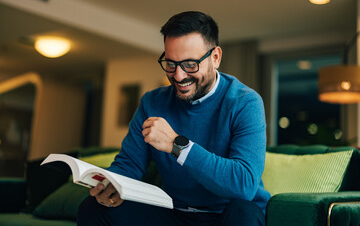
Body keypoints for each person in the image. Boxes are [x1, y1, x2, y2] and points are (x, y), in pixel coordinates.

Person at [77, 11, 271, 226]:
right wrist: (110, 185)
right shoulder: (152, 102)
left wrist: (177, 145)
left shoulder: (245, 102)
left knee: (244, 214)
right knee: (94, 208)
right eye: (170, 63)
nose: (178, 76)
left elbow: (243, 184)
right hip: (173, 212)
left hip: (226, 215)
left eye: (190, 64)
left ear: (215, 57)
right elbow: (128, 165)